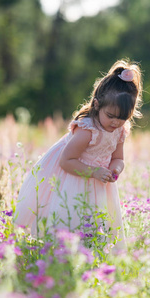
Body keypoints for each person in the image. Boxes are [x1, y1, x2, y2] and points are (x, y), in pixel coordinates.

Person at [14, 59, 143, 251]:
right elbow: (66, 161)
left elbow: (118, 158)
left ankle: (88, 253)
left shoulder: (120, 130)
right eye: (111, 116)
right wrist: (93, 172)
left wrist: (115, 169)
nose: (116, 122)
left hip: (98, 180)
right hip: (73, 175)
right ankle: (60, 253)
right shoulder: (88, 130)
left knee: (95, 220)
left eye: (123, 118)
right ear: (98, 105)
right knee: (70, 216)